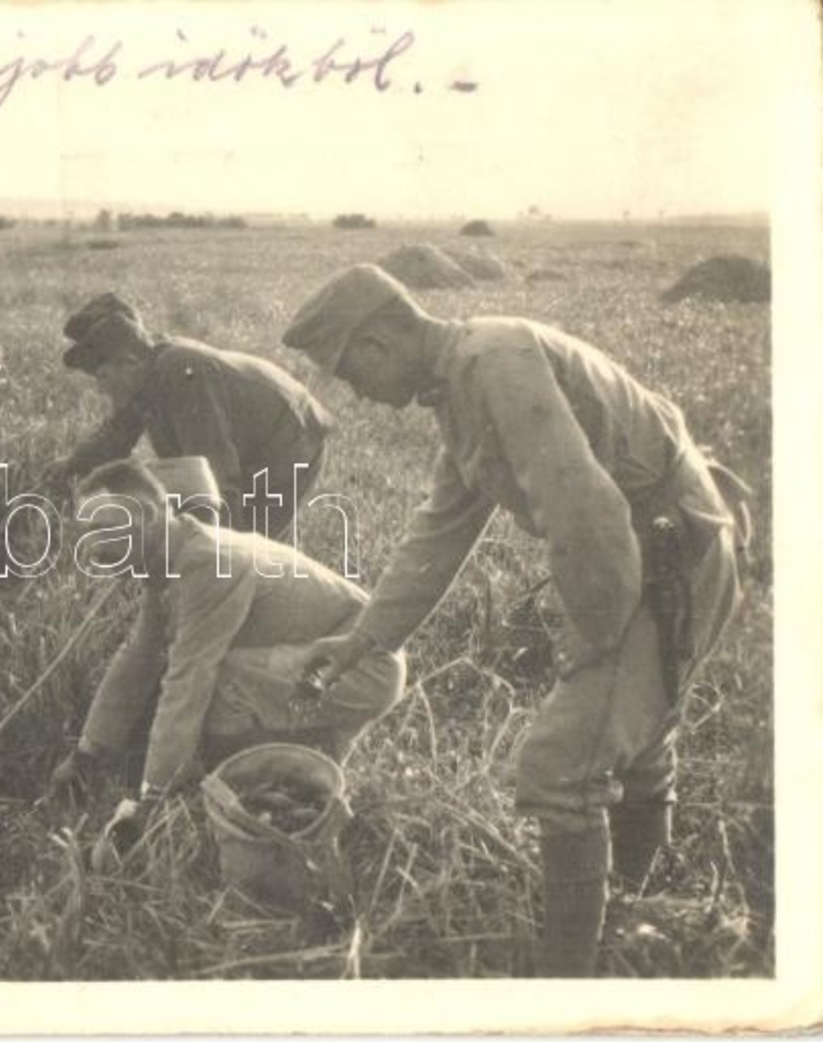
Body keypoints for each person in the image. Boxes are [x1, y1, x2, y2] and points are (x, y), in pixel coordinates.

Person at [281, 264, 752, 977]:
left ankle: (563, 983)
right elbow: (437, 533)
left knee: (561, 763)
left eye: (349, 373)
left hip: (664, 557)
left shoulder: (494, 363)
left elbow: (581, 509)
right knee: (635, 734)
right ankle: (627, 897)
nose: (359, 396)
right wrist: (364, 639)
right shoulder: (463, 382)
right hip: (661, 547)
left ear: (378, 341)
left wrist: (592, 639)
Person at [48, 457, 407, 847]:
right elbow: (138, 657)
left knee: (219, 683)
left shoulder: (208, 561)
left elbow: (189, 679)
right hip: (332, 664)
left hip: (365, 667)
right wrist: (89, 751)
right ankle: (268, 781)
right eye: (86, 531)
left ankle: (228, 804)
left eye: (102, 528)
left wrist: (151, 799)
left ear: (148, 516)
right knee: (209, 688)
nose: (93, 548)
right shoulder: (169, 562)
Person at [45, 294, 333, 539]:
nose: (100, 387)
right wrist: (72, 467)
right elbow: (117, 435)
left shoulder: (181, 375)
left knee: (249, 550)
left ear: (127, 361)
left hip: (290, 439)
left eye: (103, 375)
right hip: (260, 439)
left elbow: (216, 474)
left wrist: (210, 546)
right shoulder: (145, 370)